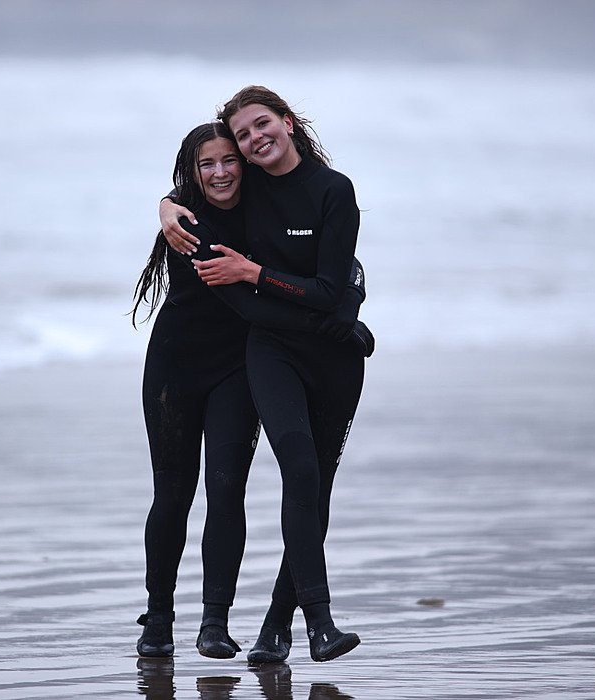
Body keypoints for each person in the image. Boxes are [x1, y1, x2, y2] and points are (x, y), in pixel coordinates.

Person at [133, 122, 372, 660]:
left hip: (237, 370)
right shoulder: (189, 222)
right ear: (192, 173)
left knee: (226, 491)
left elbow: (335, 262)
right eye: (206, 164)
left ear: (246, 160)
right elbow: (245, 300)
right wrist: (166, 204)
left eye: (229, 160)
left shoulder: (266, 205)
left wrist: (348, 309)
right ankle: (159, 618)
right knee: (173, 495)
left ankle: (214, 624)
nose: (220, 172)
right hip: (176, 367)